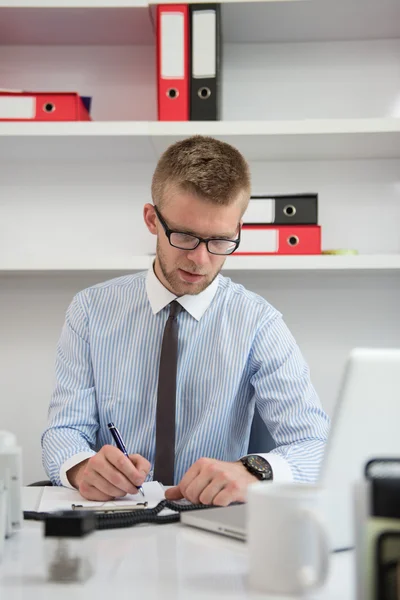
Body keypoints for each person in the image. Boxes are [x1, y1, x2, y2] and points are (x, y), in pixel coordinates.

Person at [42, 135, 330, 506]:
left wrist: (253, 470)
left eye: (221, 241)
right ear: (152, 219)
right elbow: (63, 431)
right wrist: (81, 468)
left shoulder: (259, 322)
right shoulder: (90, 311)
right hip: (116, 519)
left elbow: (316, 445)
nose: (200, 260)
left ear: (239, 228)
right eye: (185, 237)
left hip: (213, 521)